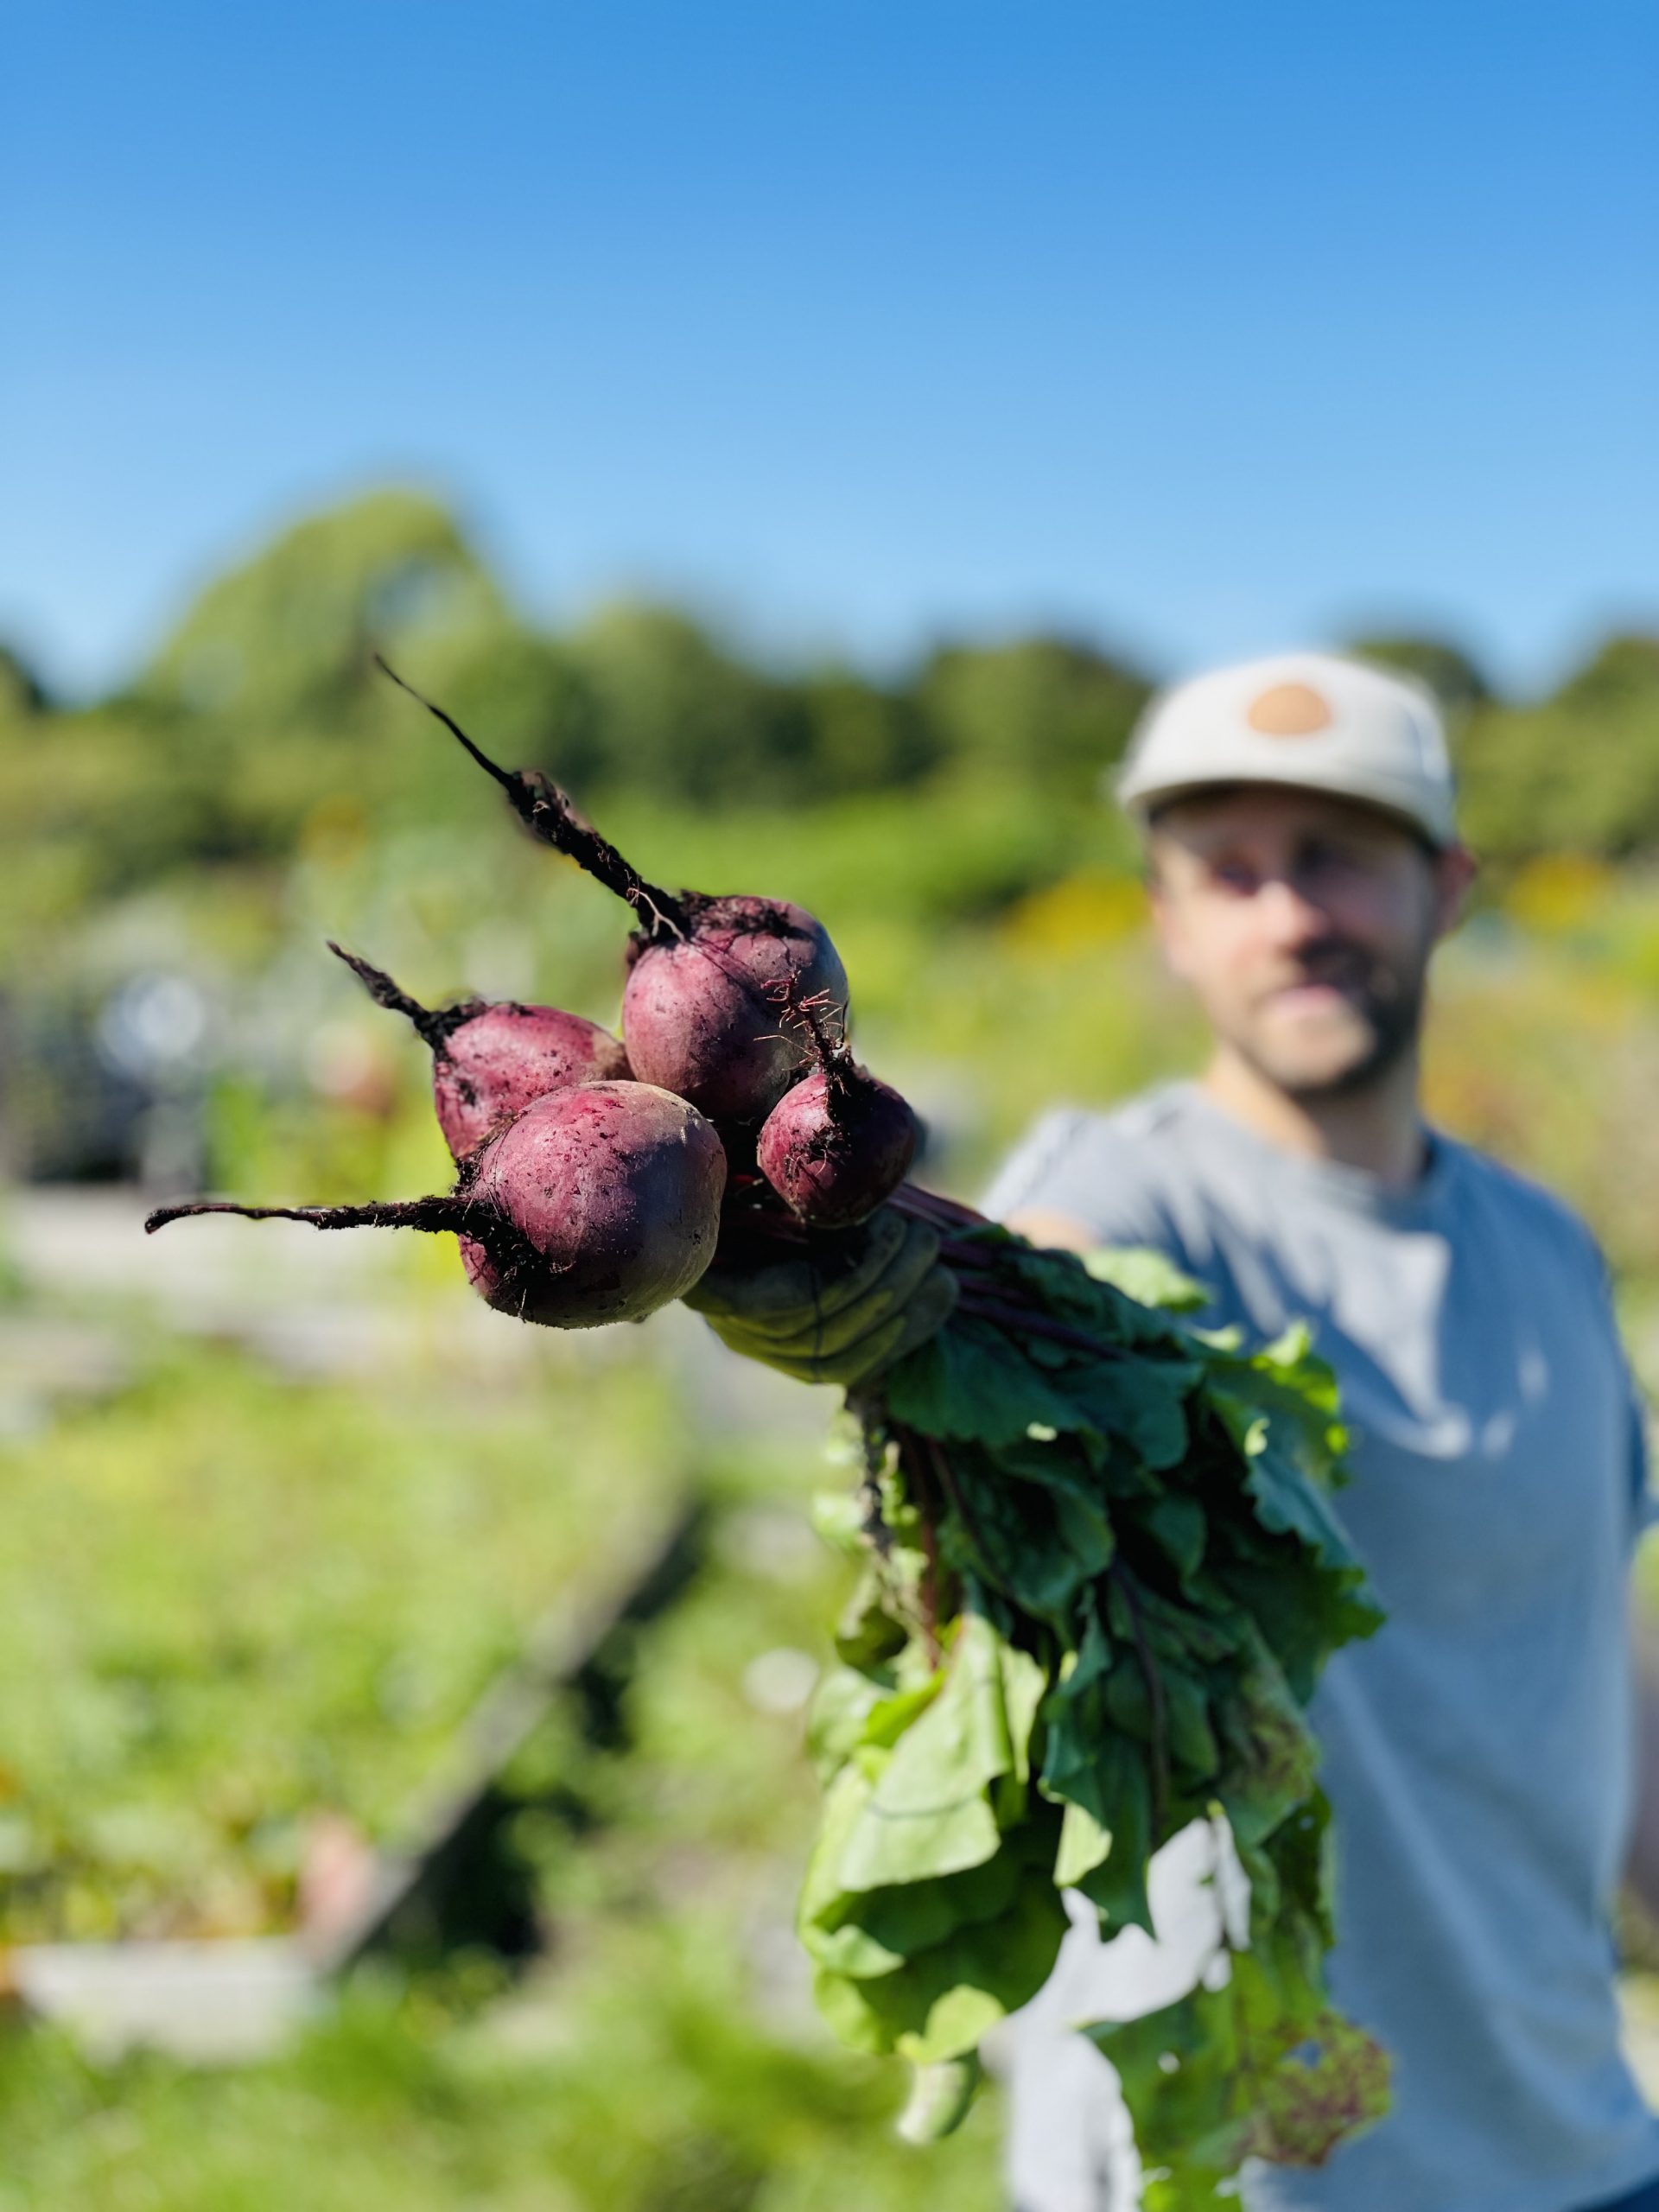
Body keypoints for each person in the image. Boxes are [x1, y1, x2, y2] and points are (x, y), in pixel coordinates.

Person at [687, 650, 1659, 2212]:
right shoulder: (1138, 1197)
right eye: (1230, 870)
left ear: (1448, 886)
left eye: (1337, 854)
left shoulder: (1550, 1254)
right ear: (1168, 920)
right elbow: (1027, 1290)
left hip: (1580, 2151)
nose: (1290, 912)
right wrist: (892, 1301)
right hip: (1214, 2172)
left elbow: (1599, 1666)